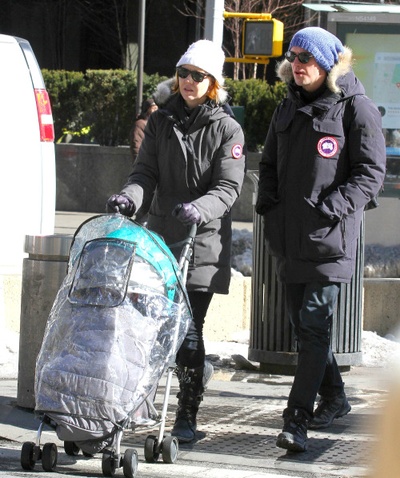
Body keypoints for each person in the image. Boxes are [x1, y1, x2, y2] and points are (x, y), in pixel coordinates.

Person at [107, 39, 246, 443]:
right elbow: (144, 174)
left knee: (188, 331)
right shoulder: (161, 121)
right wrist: (129, 199)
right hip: (161, 239)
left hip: (201, 242)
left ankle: (187, 412)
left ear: (213, 82)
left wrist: (199, 208)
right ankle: (139, 399)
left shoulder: (227, 129)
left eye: (198, 76)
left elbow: (228, 187)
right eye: (183, 73)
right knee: (148, 325)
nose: (188, 81)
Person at [255, 27, 386, 452]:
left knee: (313, 326)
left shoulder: (356, 108)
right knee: (305, 328)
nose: (297, 65)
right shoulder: (286, 107)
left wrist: (331, 208)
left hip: (330, 239)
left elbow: (371, 173)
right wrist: (268, 203)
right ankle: (334, 395)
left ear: (328, 64)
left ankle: (296, 420)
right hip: (290, 239)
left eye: (306, 58)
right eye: (293, 57)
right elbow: (269, 163)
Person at [129, 97, 158, 163]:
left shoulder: (157, 125)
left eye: (157, 109)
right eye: (153, 108)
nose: (156, 111)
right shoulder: (140, 124)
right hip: (145, 162)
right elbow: (136, 145)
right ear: (147, 110)